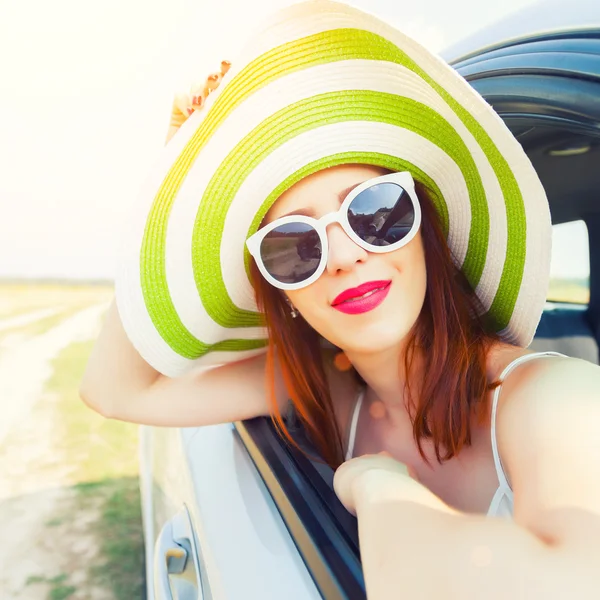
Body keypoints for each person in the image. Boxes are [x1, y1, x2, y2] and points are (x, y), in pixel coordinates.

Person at [80, 1, 600, 597]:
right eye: (294, 247)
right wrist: (175, 173)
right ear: (284, 295)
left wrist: (376, 485)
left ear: (426, 233)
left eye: (376, 213)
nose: (347, 256)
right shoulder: (327, 384)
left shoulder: (555, 398)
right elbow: (112, 390)